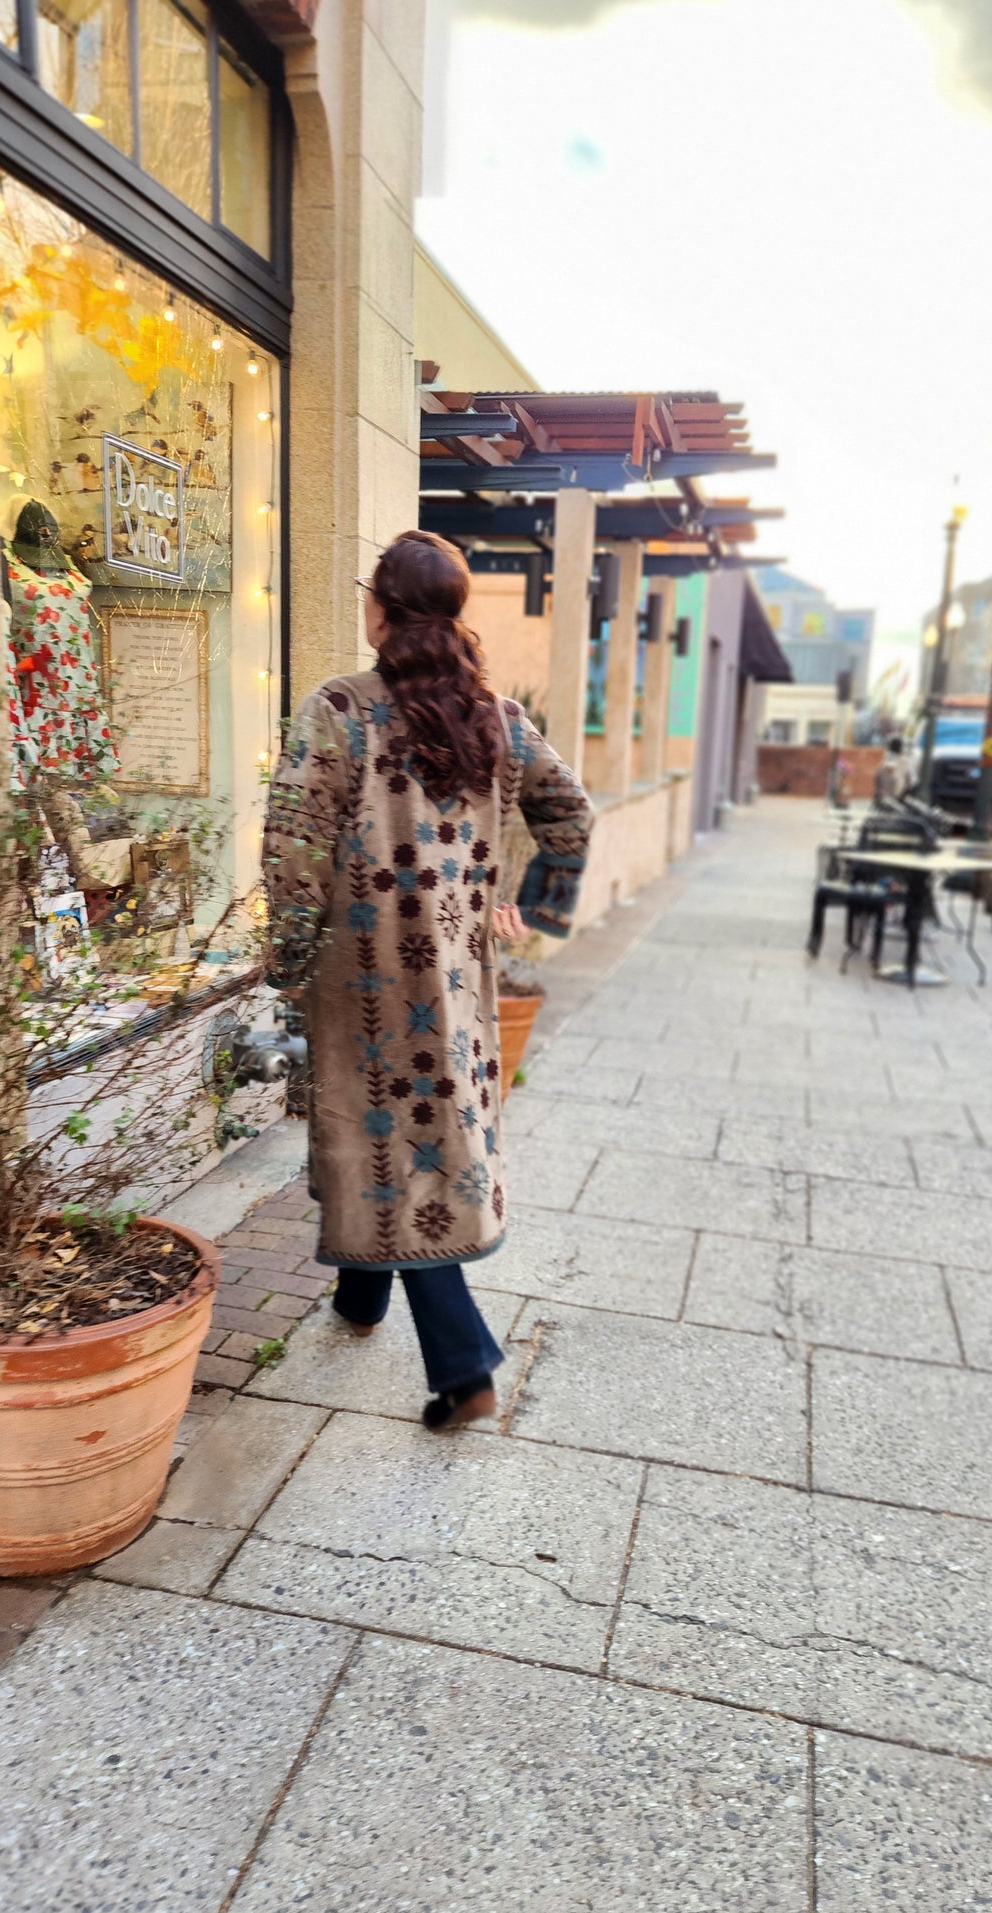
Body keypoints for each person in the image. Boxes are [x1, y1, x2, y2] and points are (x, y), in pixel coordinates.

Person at [262, 530, 594, 1429]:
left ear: (380, 610)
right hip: (453, 970)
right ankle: (361, 1296)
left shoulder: (337, 708)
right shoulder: (495, 717)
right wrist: (537, 907)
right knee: (419, 1125)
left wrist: (285, 954)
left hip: (361, 972)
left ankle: (462, 1361)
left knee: (391, 1138)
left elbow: (294, 839)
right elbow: (570, 811)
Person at [875, 733, 914, 803]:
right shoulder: (904, 761)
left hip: (887, 796)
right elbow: (910, 782)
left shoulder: (887, 759)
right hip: (896, 797)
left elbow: (878, 779)